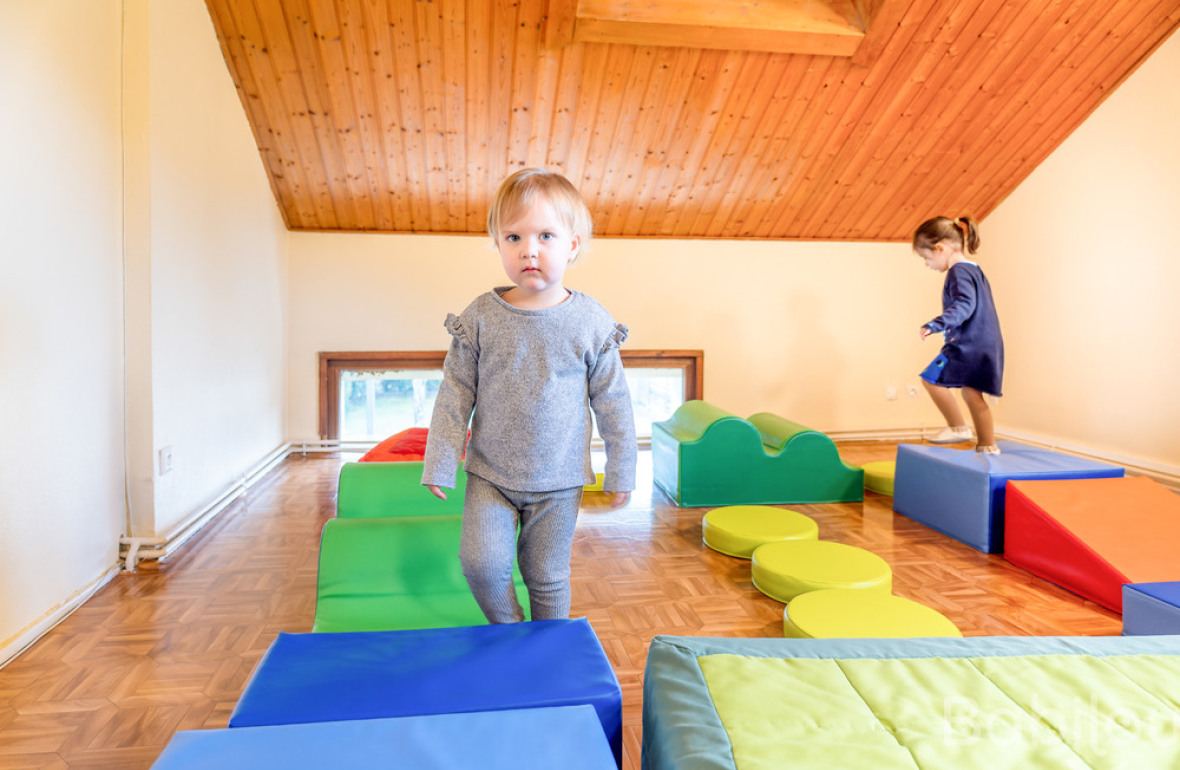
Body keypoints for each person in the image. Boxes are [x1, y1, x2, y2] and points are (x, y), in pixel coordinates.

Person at [421, 168, 637, 623]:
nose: (529, 250)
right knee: (482, 566)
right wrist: (440, 461)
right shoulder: (480, 316)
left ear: (572, 245)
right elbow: (455, 394)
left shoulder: (590, 321)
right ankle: (511, 630)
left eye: (545, 235)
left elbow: (613, 403)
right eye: (513, 237)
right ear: (498, 245)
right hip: (490, 474)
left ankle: (550, 652)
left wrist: (622, 468)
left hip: (558, 479)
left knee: (546, 574)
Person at [913, 216, 1004, 454]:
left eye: (926, 257)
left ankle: (957, 428)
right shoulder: (974, 270)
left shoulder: (958, 272)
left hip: (968, 344)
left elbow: (965, 305)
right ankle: (988, 446)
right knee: (972, 393)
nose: (927, 263)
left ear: (940, 248)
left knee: (930, 379)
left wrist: (936, 324)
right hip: (986, 343)